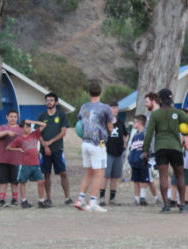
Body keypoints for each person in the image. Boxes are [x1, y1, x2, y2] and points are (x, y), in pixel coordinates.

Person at [143, 88, 188, 213]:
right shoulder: (177, 113)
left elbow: (149, 134)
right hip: (176, 148)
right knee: (180, 175)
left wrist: (145, 150)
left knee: (163, 176)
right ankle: (182, 205)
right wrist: (187, 131)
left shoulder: (155, 115)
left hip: (161, 148)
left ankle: (166, 205)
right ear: (171, 99)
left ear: (160, 99)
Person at [74, 80, 114, 213]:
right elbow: (109, 126)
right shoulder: (105, 108)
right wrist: (108, 133)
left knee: (89, 172)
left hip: (85, 142)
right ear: (100, 92)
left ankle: (80, 199)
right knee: (100, 173)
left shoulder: (84, 107)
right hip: (98, 143)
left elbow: (79, 123)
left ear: (89, 93)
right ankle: (93, 203)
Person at [38, 92, 72, 206]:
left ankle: (67, 198)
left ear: (56, 102)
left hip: (58, 149)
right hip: (44, 151)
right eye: (47, 100)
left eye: (52, 100)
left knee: (63, 173)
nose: (49, 102)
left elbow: (63, 133)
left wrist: (50, 142)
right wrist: (45, 145)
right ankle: (48, 198)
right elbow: (37, 133)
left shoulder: (61, 115)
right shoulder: (42, 116)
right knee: (46, 174)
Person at [8, 119, 47, 209]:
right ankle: (24, 201)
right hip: (25, 164)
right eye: (26, 127)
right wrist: (17, 149)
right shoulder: (19, 139)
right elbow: (9, 147)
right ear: (21, 128)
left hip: (35, 164)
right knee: (23, 182)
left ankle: (41, 201)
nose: (29, 128)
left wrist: (32, 122)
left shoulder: (34, 134)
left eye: (29, 127)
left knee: (41, 181)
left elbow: (44, 124)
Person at [0, 109, 23, 207]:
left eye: (15, 117)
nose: (13, 119)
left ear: (17, 118)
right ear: (7, 117)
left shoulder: (20, 129)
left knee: (15, 181)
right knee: (3, 181)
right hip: (3, 158)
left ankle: (14, 199)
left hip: (16, 159)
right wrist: (7, 132)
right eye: (11, 116)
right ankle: (2, 199)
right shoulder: (2, 127)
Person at [127, 113, 158, 206]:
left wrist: (144, 157)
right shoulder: (135, 135)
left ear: (140, 123)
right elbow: (131, 148)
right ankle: (136, 199)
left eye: (135, 122)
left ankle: (155, 198)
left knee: (148, 180)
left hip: (144, 161)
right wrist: (130, 157)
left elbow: (149, 147)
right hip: (134, 162)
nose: (133, 124)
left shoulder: (146, 134)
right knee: (136, 180)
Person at [101, 102, 128, 206]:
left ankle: (112, 199)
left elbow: (126, 134)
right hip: (107, 153)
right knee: (105, 175)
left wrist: (125, 142)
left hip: (119, 152)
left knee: (115, 176)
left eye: (116, 108)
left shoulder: (120, 123)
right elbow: (100, 137)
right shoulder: (104, 122)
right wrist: (102, 147)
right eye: (113, 108)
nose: (115, 110)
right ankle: (101, 197)